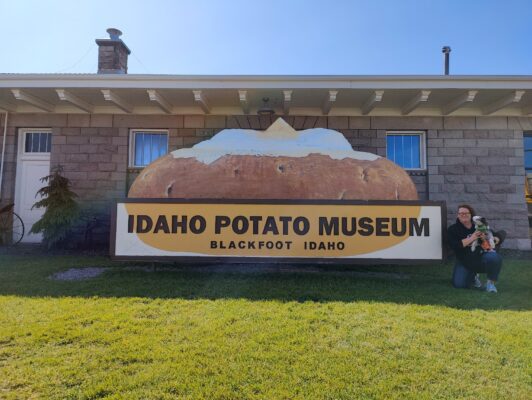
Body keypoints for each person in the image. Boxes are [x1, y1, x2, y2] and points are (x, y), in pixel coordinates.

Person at [447, 204, 504, 293]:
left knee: (494, 257)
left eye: (466, 213)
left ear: (471, 215)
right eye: (461, 213)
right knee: (459, 285)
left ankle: (490, 284)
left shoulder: (479, 226)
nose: (463, 215)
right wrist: (472, 238)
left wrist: (495, 239)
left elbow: (499, 233)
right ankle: (473, 276)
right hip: (464, 262)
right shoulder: (453, 229)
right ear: (458, 215)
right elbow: (455, 246)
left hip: (482, 258)